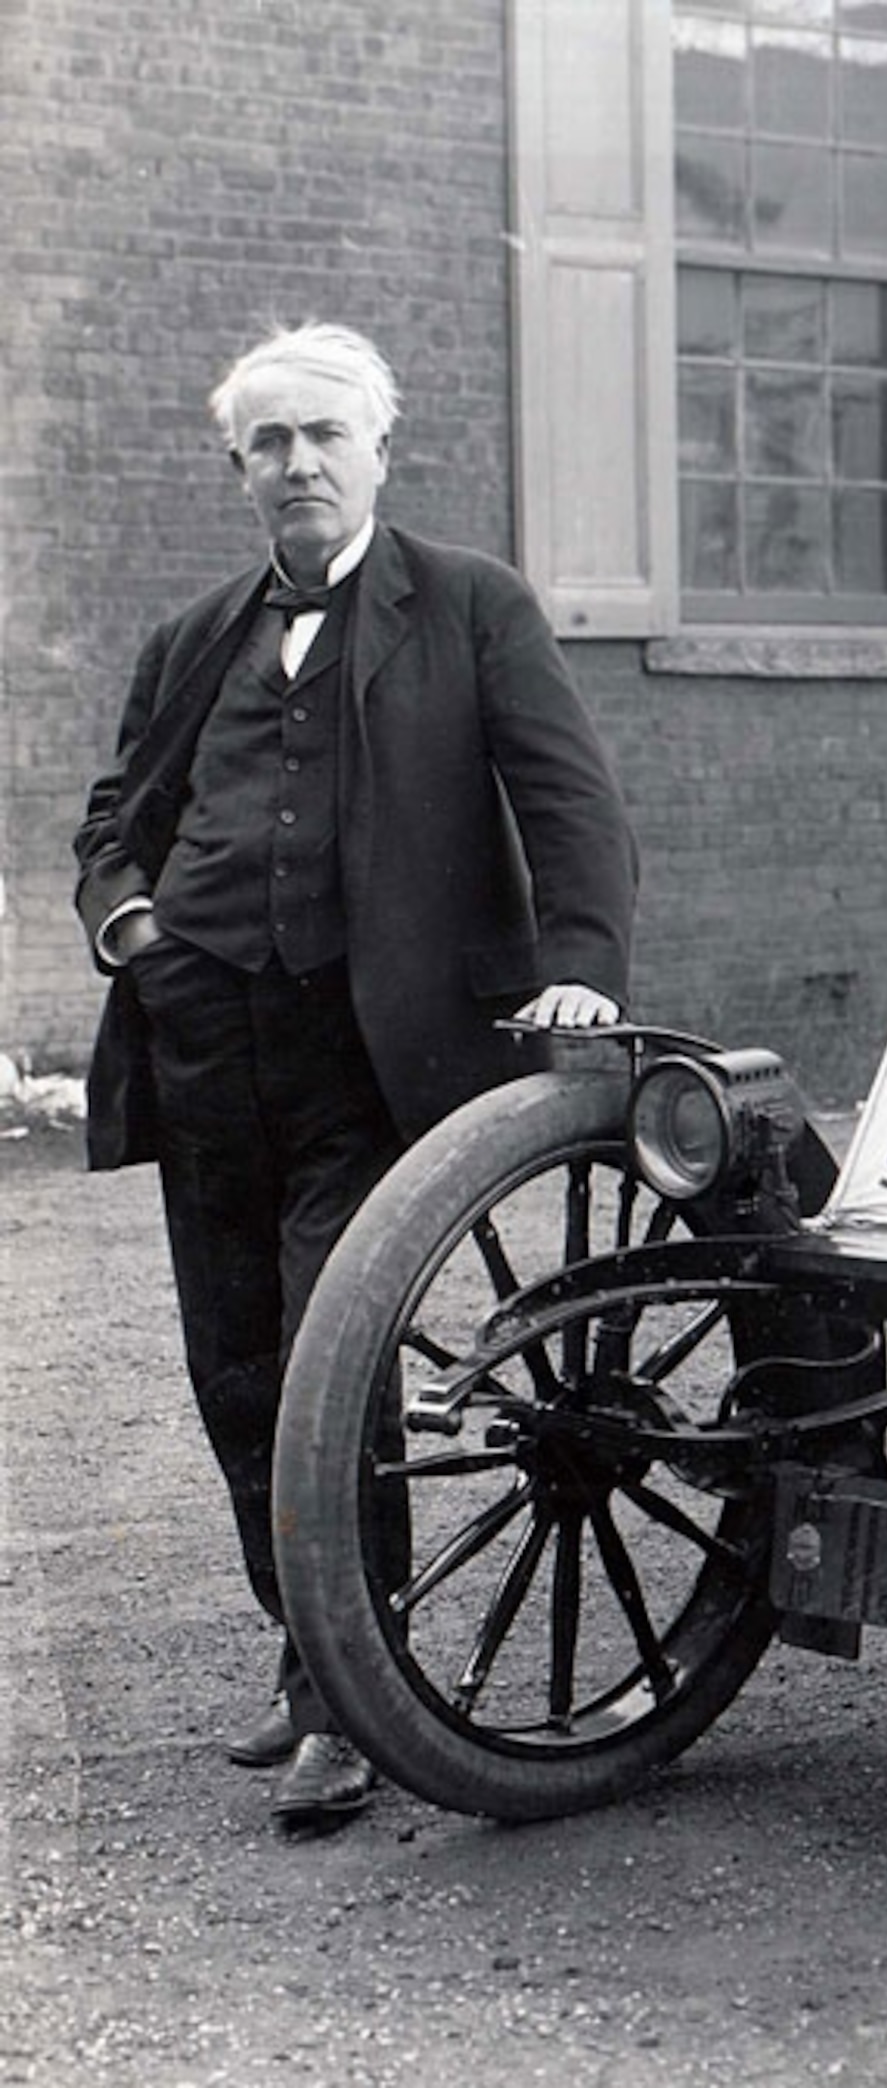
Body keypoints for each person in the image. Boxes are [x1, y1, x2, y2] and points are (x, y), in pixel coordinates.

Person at [71, 323, 640, 1832]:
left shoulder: (466, 606)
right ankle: (302, 1644)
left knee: (338, 1368)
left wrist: (578, 961)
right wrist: (126, 919)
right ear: (238, 468)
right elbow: (116, 814)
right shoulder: (195, 635)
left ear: (383, 450)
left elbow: (569, 798)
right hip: (204, 1040)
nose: (299, 464)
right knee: (235, 1368)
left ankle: (346, 1697)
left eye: (326, 435)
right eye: (271, 443)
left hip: (365, 1052)